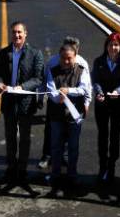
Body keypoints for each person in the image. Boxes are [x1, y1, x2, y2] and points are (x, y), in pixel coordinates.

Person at [0, 21, 44, 184]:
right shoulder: (4, 53)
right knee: (10, 137)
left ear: (25, 34)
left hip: (25, 102)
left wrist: (22, 87)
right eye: (14, 32)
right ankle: (11, 168)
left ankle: (22, 170)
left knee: (24, 138)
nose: (16, 35)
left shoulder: (35, 54)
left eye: (19, 32)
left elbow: (38, 78)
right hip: (8, 101)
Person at [38, 36, 90, 170]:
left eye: (74, 49)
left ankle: (65, 159)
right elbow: (47, 83)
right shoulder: (53, 62)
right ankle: (47, 156)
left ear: (76, 50)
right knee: (51, 132)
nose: (66, 60)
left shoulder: (82, 64)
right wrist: (44, 98)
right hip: (55, 105)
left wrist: (87, 102)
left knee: (71, 139)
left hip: (74, 107)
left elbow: (87, 87)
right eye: (64, 56)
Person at [46, 43, 91, 195]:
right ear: (60, 56)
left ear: (75, 57)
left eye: (69, 58)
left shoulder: (81, 70)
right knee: (56, 146)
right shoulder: (52, 70)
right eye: (63, 58)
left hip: (74, 116)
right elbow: (50, 90)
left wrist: (68, 91)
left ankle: (72, 174)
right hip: (56, 115)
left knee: (73, 147)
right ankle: (55, 174)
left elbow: (84, 89)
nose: (66, 61)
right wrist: (57, 97)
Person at [91, 32, 120, 185]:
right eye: (111, 45)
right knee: (102, 134)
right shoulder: (98, 61)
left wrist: (118, 92)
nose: (113, 48)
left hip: (119, 104)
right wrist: (99, 92)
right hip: (102, 103)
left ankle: (112, 165)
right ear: (106, 46)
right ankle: (102, 165)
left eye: (116, 45)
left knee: (115, 135)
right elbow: (95, 80)